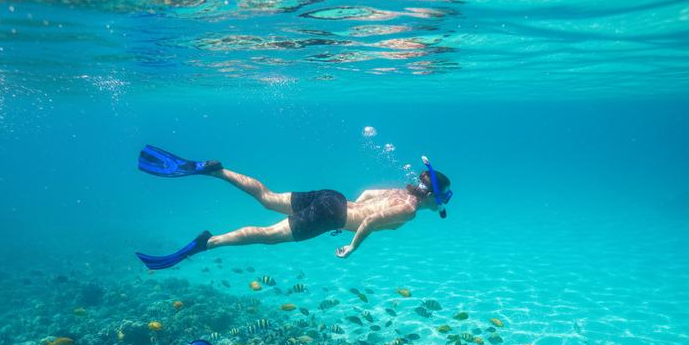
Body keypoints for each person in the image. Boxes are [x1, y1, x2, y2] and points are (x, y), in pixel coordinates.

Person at [134, 145, 452, 269]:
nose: (442, 204)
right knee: (268, 235)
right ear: (433, 196)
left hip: (334, 198)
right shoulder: (409, 210)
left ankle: (216, 170)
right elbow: (369, 223)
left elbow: (368, 195)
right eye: (444, 198)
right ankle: (208, 242)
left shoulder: (400, 191)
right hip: (332, 215)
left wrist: (348, 213)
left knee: (268, 198)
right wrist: (352, 247)